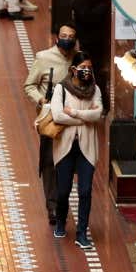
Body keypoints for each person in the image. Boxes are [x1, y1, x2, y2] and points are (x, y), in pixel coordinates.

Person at [24, 25, 79, 225]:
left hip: (72, 118)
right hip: (50, 119)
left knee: (69, 161)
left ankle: (62, 199)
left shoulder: (79, 59)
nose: (67, 39)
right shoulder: (43, 57)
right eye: (63, 36)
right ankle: (53, 205)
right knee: (49, 161)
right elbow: (29, 85)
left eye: (71, 37)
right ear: (57, 37)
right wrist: (41, 100)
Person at [49, 52, 104, 249]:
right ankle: (61, 222)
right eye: (83, 68)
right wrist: (84, 119)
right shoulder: (61, 89)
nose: (86, 71)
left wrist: (74, 113)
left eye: (89, 68)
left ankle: (81, 233)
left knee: (85, 191)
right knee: (63, 191)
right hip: (65, 147)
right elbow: (57, 116)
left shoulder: (95, 89)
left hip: (87, 148)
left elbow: (98, 114)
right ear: (73, 70)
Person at [72, 0, 111, 112]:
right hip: (90, 37)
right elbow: (85, 15)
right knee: (95, 69)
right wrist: (104, 7)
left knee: (98, 70)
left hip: (98, 36)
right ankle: (98, 102)